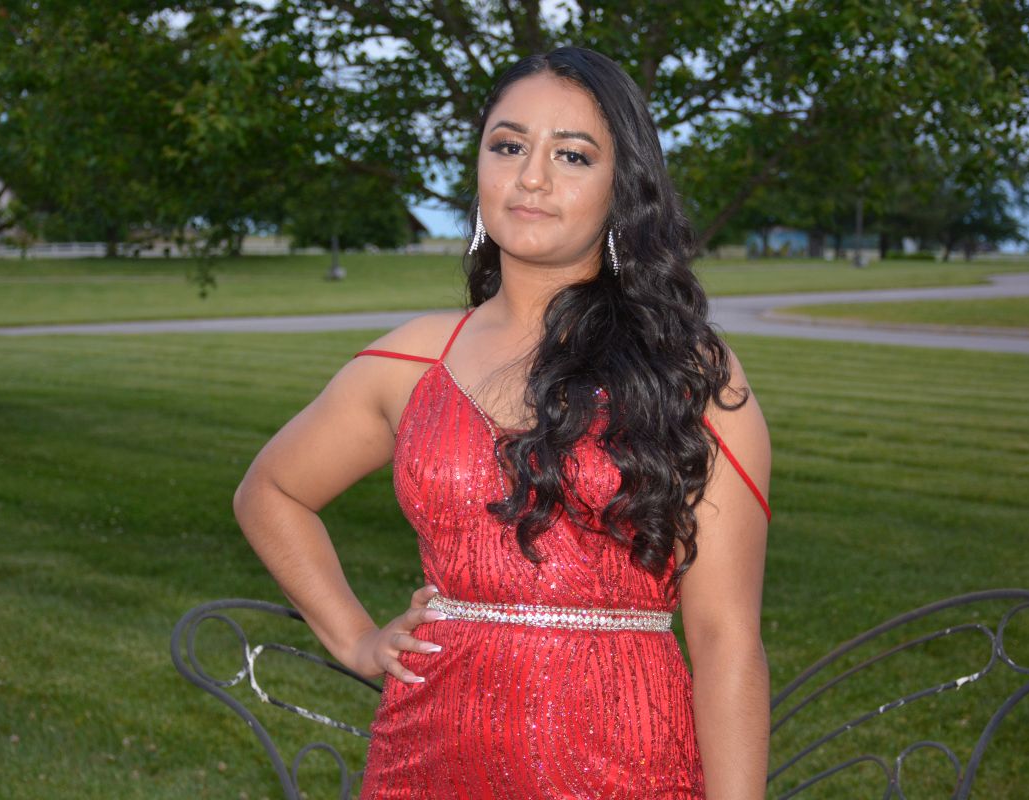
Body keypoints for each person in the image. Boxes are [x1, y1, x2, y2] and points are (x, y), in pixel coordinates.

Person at [234, 46, 771, 799]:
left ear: (624, 186)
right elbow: (271, 492)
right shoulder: (412, 362)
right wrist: (355, 640)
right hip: (425, 760)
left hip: (627, 765)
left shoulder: (687, 374)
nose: (532, 177)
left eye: (573, 155)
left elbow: (725, 639)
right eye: (509, 146)